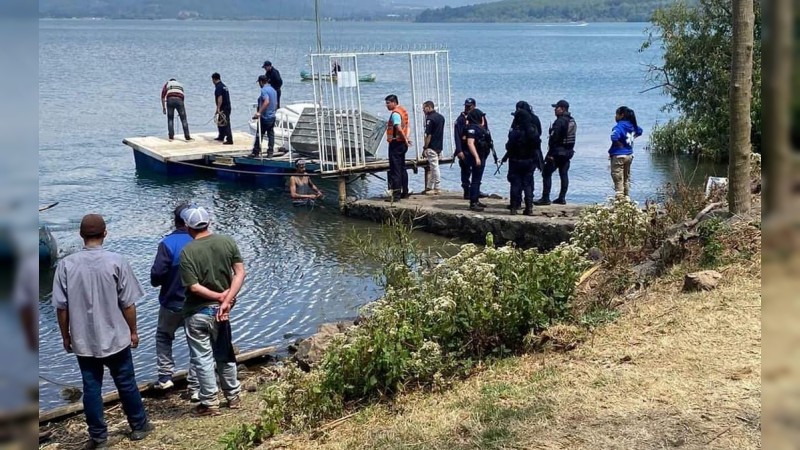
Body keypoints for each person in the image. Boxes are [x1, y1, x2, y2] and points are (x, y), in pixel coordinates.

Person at [52, 214, 153, 448]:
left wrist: (65, 335)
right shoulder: (117, 261)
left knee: (91, 388)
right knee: (126, 382)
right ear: (105, 233)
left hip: (83, 340)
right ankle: (139, 426)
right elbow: (128, 304)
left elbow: (61, 307)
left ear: (81, 235)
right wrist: (133, 331)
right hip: (116, 336)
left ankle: (98, 437)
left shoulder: (66, 265)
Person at [179, 206, 246, 416]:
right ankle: (233, 396)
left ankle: (209, 402)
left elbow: (193, 287)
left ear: (188, 227)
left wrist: (218, 297)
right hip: (222, 312)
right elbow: (240, 273)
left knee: (202, 357)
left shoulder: (187, 251)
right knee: (224, 352)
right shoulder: (227, 242)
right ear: (209, 223)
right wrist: (226, 300)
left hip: (197, 311)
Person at [150, 204, 199, 398]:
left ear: (175, 221)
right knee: (196, 342)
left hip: (171, 303)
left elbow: (156, 276)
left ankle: (165, 377)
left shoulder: (167, 244)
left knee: (163, 336)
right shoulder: (199, 242)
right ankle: (195, 383)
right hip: (195, 304)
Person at [503, 101, 543, 215]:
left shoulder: (516, 131)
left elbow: (508, 145)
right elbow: (537, 143)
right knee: (528, 184)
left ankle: (514, 207)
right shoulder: (533, 130)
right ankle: (529, 208)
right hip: (530, 160)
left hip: (516, 160)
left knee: (515, 183)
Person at [536, 99, 577, 205]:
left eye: (556, 108)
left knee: (546, 173)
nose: (554, 110)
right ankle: (562, 198)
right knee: (564, 174)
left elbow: (554, 139)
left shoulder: (560, 121)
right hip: (568, 152)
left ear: (562, 109)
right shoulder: (572, 121)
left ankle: (545, 197)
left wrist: (550, 154)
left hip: (558, 153)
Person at [454, 98, 490, 200]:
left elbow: (485, 131)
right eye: (466, 106)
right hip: (465, 148)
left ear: (474, 106)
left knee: (477, 171)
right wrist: (459, 150)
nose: (467, 108)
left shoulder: (479, 117)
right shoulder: (460, 119)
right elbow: (457, 136)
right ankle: (466, 190)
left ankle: (476, 191)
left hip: (478, 149)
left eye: (469, 106)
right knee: (465, 170)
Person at [609, 106, 643, 199]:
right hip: (629, 155)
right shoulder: (632, 125)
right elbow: (640, 131)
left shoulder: (619, 126)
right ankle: (627, 198)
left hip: (618, 155)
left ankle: (620, 200)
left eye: (616, 114)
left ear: (621, 115)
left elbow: (614, 136)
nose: (615, 117)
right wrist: (632, 138)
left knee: (618, 179)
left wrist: (619, 143)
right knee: (626, 179)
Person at [384, 94, 412, 201]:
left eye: (388, 103)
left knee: (395, 170)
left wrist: (405, 139)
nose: (387, 105)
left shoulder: (395, 114)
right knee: (402, 168)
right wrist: (407, 138)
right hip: (402, 144)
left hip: (396, 144)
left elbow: (399, 128)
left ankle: (396, 196)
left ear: (394, 102)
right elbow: (408, 126)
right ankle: (405, 191)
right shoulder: (402, 110)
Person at [464, 108, 492, 211]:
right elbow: (470, 143)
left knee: (478, 180)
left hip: (482, 155)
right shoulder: (472, 129)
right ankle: (473, 202)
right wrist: (476, 157)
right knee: (475, 180)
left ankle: (476, 200)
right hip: (476, 157)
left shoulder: (479, 128)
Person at [250, 75, 277, 158]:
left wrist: (259, 112)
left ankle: (256, 152)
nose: (259, 84)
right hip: (272, 116)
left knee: (259, 134)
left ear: (261, 82)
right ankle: (270, 152)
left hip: (265, 117)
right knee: (271, 134)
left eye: (259, 83)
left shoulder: (264, 90)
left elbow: (266, 101)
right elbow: (276, 103)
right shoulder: (273, 90)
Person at [423, 100, 445, 195]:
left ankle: (437, 187)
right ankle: (429, 186)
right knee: (432, 166)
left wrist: (425, 147)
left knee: (434, 167)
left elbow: (428, 135)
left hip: (432, 145)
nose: (423, 110)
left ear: (428, 107)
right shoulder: (441, 117)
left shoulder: (430, 119)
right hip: (439, 144)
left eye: (424, 108)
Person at [211, 73, 233, 145]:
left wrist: (218, 108)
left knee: (226, 123)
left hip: (224, 107)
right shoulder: (223, 86)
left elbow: (220, 98)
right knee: (221, 122)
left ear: (214, 79)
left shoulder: (219, 87)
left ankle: (229, 139)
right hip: (227, 106)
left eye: (212, 80)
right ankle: (221, 136)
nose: (212, 81)